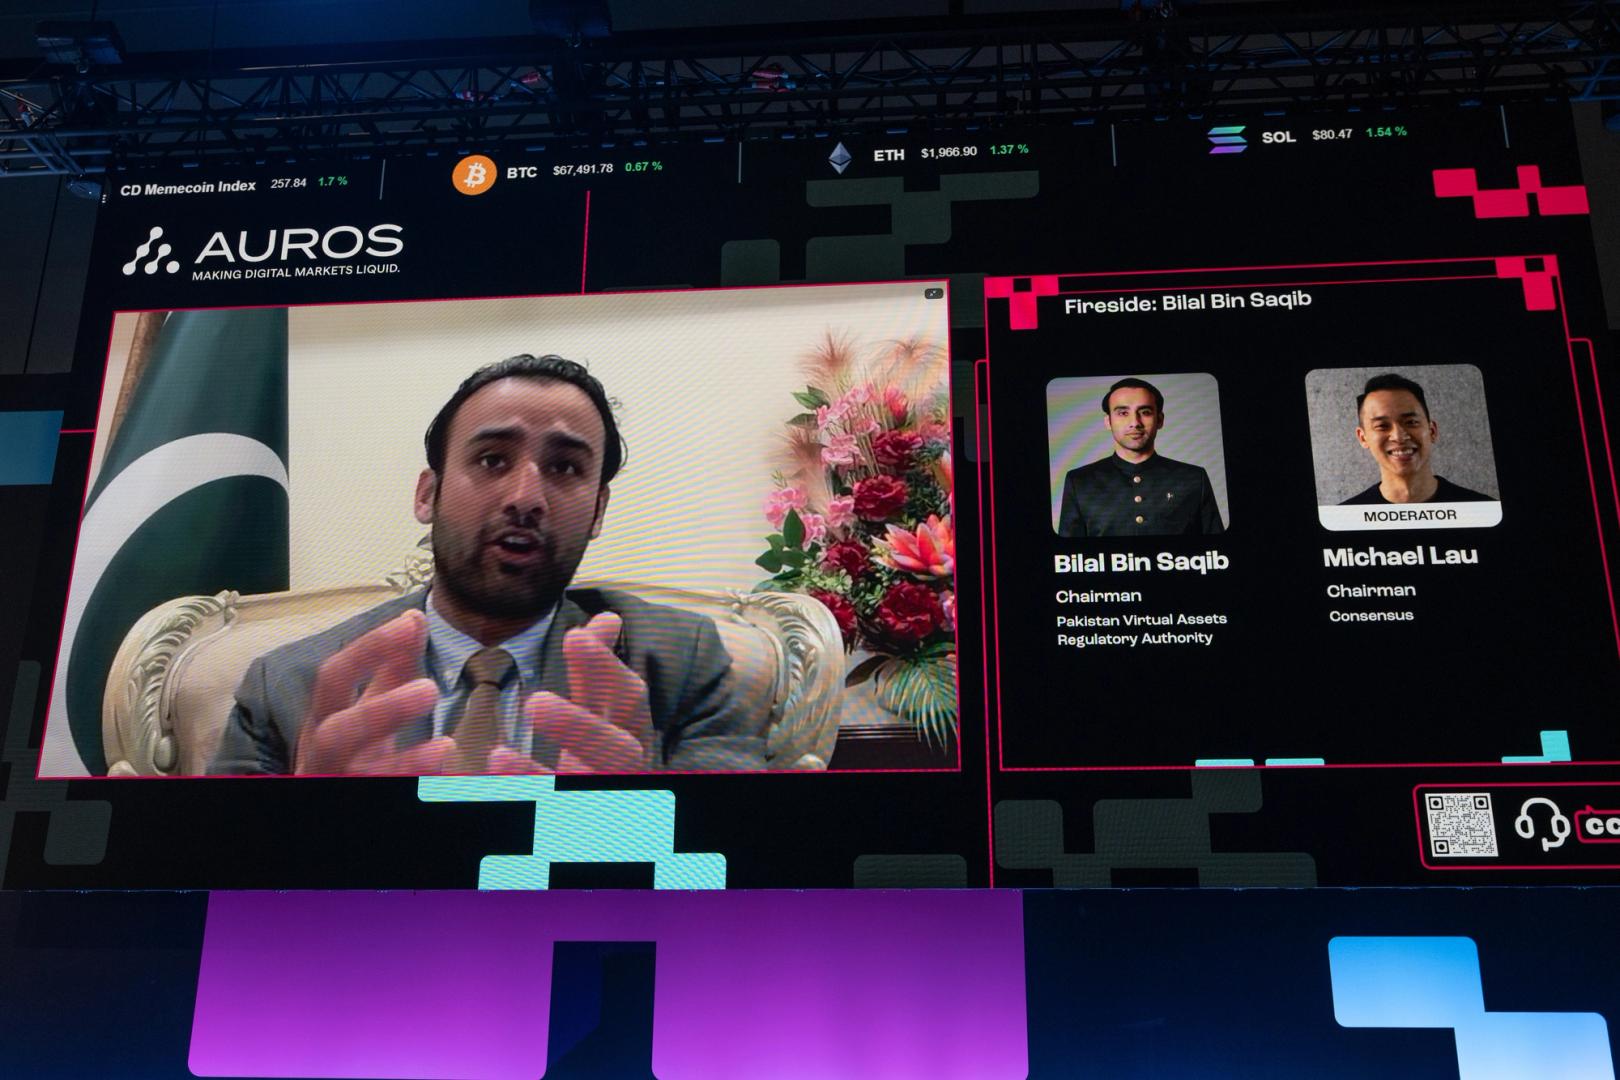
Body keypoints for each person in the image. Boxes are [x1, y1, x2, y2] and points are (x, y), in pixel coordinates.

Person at [211, 354, 765, 776]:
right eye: (492, 459)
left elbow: (741, 867)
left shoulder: (679, 661)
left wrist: (627, 827)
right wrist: (312, 832)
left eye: (565, 468)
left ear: (598, 511)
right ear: (427, 495)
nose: (527, 498)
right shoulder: (287, 684)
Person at [1056, 377, 1225, 537]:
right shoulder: (1080, 482)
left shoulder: (1193, 478)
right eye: (1123, 413)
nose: (1135, 422)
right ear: (1108, 422)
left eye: (1145, 412)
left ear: (1160, 420)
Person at [1339, 373, 1492, 505]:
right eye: (1382, 426)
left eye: (1411, 422)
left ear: (1432, 431)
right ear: (1363, 438)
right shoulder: (1345, 518)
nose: (1399, 437)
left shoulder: (1481, 509)